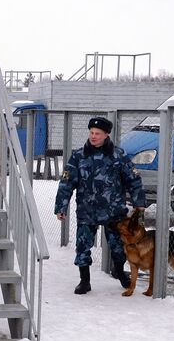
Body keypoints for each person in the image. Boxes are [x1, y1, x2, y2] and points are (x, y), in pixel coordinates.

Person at [53, 116, 148, 294]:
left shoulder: (118, 156)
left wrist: (139, 203)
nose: (93, 136)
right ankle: (84, 280)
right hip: (87, 212)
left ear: (106, 135)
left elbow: (133, 180)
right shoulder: (79, 156)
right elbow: (67, 182)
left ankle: (119, 271)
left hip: (114, 213)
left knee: (119, 248)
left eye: (97, 133)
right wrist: (61, 207)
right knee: (83, 246)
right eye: (91, 133)